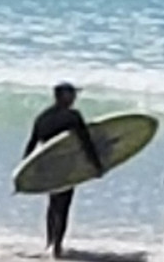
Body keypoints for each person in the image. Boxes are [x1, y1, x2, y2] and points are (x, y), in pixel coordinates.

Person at [23, 82, 104, 259]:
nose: (75, 97)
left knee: (52, 205)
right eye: (72, 94)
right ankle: (57, 246)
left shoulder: (42, 117)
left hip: (48, 167)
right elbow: (86, 142)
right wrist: (96, 166)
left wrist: (26, 170)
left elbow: (31, 144)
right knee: (64, 206)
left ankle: (50, 242)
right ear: (62, 96)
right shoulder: (73, 116)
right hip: (66, 166)